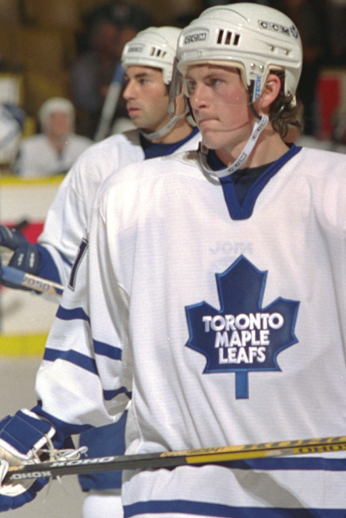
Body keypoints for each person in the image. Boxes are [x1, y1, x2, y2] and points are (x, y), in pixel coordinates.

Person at [0, 4, 346, 516]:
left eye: (215, 81)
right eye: (189, 82)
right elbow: (93, 341)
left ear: (268, 88)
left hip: (332, 497)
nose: (195, 99)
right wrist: (46, 423)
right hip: (177, 496)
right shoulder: (131, 196)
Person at [0, 26, 200, 518]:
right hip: (113, 381)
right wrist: (22, 262)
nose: (127, 92)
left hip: (194, 376)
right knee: (106, 500)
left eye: (144, 79)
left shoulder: (222, 163)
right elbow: (69, 270)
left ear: (182, 86)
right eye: (126, 78)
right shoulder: (101, 162)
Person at [14, 98, 93, 179]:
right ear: (44, 121)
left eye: (64, 117)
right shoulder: (28, 147)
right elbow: (25, 177)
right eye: (54, 118)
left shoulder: (85, 146)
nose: (59, 122)